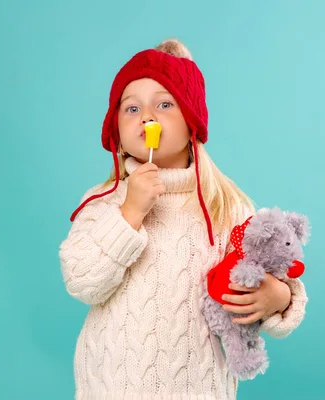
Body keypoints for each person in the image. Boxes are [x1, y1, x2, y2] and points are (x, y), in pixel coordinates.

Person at [59, 38, 308, 400]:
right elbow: (82, 282)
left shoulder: (226, 206)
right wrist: (130, 212)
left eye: (164, 104)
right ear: (117, 132)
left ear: (191, 121)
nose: (146, 117)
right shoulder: (103, 202)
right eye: (131, 108)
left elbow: (276, 269)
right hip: (112, 387)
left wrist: (279, 297)